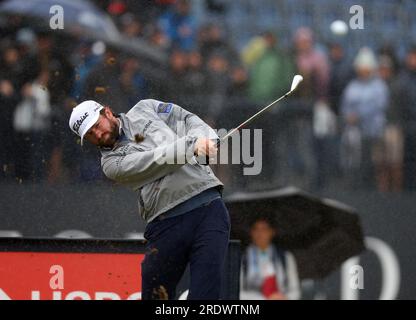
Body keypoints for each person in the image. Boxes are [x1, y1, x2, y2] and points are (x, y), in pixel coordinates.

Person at [68, 99, 230, 300]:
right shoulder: (111, 164)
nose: (98, 135)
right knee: (155, 294)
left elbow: (185, 118)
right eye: (90, 135)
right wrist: (191, 146)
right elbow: (155, 161)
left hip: (209, 209)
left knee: (205, 297)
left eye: (96, 126)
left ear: (107, 112)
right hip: (167, 223)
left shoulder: (145, 108)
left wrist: (204, 138)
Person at [240, 217, 300, 300]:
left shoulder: (285, 257)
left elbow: (295, 290)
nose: (259, 233)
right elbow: (237, 291)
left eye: (264, 229)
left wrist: (284, 297)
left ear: (272, 232)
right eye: (255, 229)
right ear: (251, 232)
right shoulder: (243, 258)